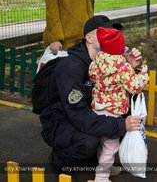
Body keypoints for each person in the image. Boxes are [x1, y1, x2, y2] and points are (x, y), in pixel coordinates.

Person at [39, 15, 143, 175]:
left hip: (88, 113)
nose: (109, 35)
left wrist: (129, 67)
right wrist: (120, 126)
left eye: (112, 32)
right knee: (89, 141)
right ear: (89, 38)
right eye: (103, 32)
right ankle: (59, 160)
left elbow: (119, 94)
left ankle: (96, 161)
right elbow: (77, 114)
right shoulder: (70, 67)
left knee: (124, 116)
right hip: (62, 120)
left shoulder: (106, 62)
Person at [89, 27, 149, 182]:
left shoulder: (96, 63)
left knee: (103, 145)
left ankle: (105, 169)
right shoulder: (123, 67)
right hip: (113, 113)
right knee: (110, 147)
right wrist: (143, 75)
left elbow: (93, 78)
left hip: (97, 110)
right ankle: (101, 177)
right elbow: (134, 87)